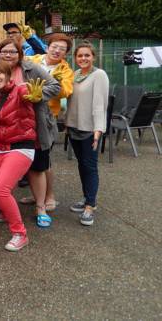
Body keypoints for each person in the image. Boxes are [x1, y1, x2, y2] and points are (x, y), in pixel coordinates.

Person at [0, 39, 60, 228]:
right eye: (4, 51)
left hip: (34, 127)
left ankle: (41, 207)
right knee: (7, 170)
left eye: (12, 52)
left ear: (20, 54)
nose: (8, 55)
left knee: (37, 168)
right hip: (7, 129)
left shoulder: (31, 68)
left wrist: (39, 95)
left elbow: (55, 86)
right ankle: (5, 207)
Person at [0, 60, 41, 252]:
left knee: (0, 189)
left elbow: (30, 95)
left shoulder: (20, 90)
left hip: (21, 147)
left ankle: (20, 233)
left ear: (7, 74)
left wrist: (36, 96)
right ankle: (6, 211)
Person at [20, 33, 75, 212]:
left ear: (66, 53)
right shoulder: (34, 59)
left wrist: (55, 83)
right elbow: (16, 62)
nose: (57, 51)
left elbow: (66, 91)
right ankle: (37, 195)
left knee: (45, 160)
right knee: (31, 158)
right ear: (48, 47)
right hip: (25, 114)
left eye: (62, 49)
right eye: (54, 46)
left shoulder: (65, 70)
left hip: (46, 118)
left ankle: (49, 196)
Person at [65, 41, 109, 226]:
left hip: (90, 130)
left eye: (87, 55)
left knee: (90, 167)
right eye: (80, 55)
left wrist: (98, 131)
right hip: (74, 127)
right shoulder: (74, 75)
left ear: (93, 57)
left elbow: (100, 105)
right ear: (75, 58)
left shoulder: (99, 75)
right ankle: (86, 197)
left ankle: (90, 206)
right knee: (82, 165)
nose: (83, 58)